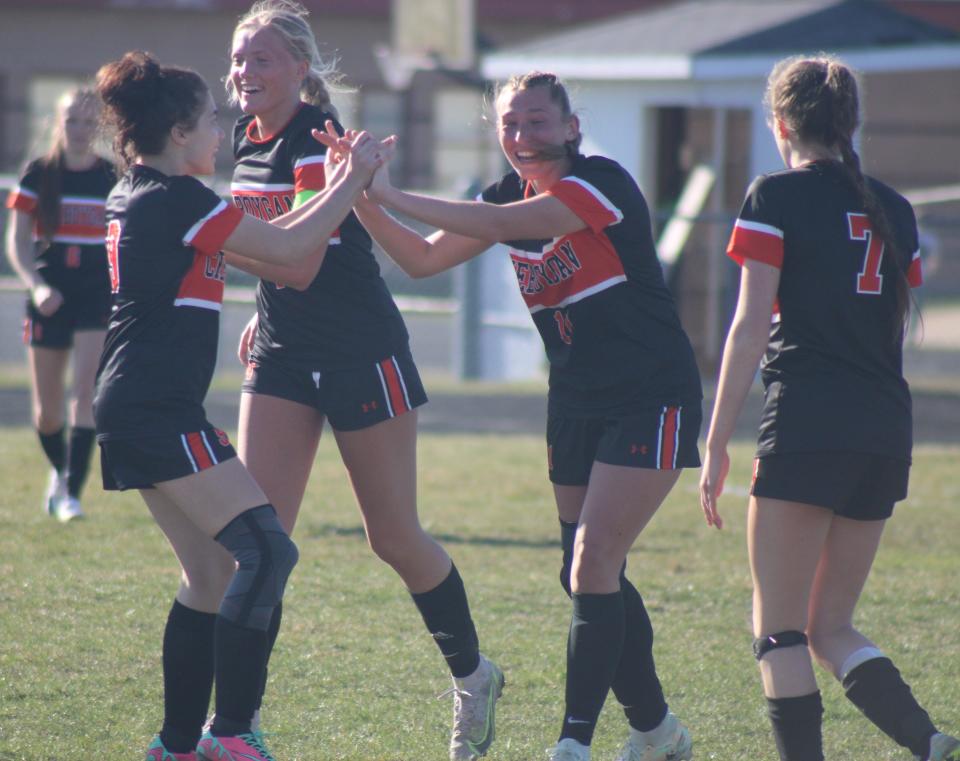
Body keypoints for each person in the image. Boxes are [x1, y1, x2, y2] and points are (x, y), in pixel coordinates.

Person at [322, 70, 702, 761]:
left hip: (651, 391)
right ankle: (657, 729)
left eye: (537, 122)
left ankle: (572, 742)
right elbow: (421, 260)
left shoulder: (599, 182)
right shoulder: (504, 192)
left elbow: (498, 227)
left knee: (593, 564)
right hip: (576, 397)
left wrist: (386, 189)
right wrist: (358, 195)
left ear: (570, 128)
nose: (523, 136)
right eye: (510, 124)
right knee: (587, 570)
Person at [219, 3, 503, 759]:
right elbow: (275, 250)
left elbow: (301, 257)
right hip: (281, 355)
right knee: (258, 544)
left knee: (393, 537)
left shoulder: (315, 139)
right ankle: (235, 727)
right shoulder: (246, 144)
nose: (246, 71)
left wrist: (207, 241)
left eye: (263, 59)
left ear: (301, 69)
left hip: (359, 351)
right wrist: (259, 306)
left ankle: (474, 675)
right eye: (240, 58)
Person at [93, 50, 383, 761]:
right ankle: (231, 733)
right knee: (267, 551)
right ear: (181, 130)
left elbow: (276, 252)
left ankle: (174, 745)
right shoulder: (180, 200)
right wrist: (353, 178)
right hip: (156, 407)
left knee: (212, 573)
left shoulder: (138, 192)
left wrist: (332, 190)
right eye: (212, 121)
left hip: (134, 402)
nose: (222, 132)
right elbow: (291, 247)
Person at [699, 54, 959, 761]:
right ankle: (927, 738)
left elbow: (751, 326)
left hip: (809, 423)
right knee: (830, 626)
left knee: (779, 630)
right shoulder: (896, 209)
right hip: (883, 430)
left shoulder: (775, 196)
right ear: (854, 123)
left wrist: (715, 439)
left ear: (779, 121)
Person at [4, 87, 116, 522]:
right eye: (72, 121)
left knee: (84, 395)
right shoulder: (38, 173)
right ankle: (60, 469)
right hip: (50, 297)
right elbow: (15, 242)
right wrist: (35, 286)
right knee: (48, 414)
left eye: (90, 122)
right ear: (58, 123)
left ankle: (71, 493)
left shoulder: (111, 177)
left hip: (95, 296)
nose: (81, 130)